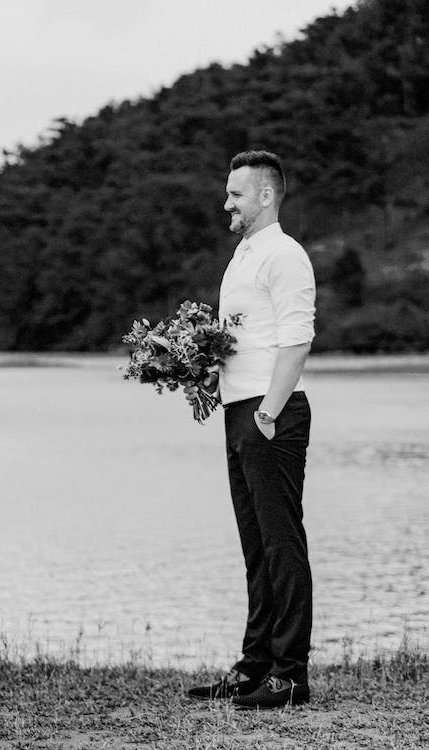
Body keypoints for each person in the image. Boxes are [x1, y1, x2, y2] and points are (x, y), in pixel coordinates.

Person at [185, 151, 316, 709]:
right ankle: (254, 666)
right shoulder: (242, 255)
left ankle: (290, 676)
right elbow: (240, 338)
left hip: (272, 413)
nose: (227, 202)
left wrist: (267, 411)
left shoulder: (285, 255)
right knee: (256, 547)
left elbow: (297, 339)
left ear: (265, 196)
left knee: (282, 546)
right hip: (240, 410)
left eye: (236, 193)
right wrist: (198, 366)